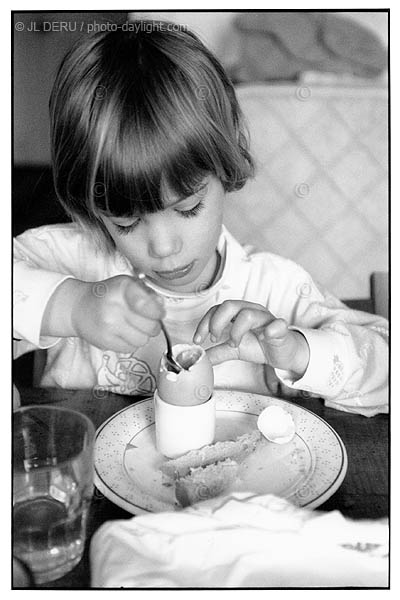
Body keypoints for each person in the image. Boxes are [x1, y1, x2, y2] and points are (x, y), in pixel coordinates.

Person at [14, 23, 388, 416]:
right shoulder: (69, 259)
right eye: (126, 222)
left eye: (187, 207)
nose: (163, 247)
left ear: (225, 169)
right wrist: (68, 306)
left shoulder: (275, 288)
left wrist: (298, 351)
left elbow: (386, 364)